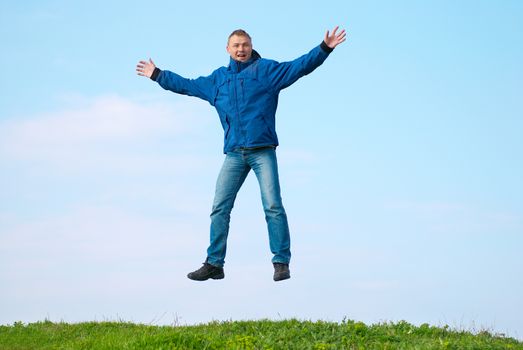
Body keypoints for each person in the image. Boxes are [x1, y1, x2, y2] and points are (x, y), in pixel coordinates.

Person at [136, 26, 346, 282]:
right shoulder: (218, 80)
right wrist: (157, 74)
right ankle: (215, 263)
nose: (241, 49)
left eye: (245, 45)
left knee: (272, 205)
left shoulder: (267, 71)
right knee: (219, 208)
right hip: (234, 154)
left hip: (262, 151)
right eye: (236, 46)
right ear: (228, 49)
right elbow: (187, 85)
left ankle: (281, 262)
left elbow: (299, 67)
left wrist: (324, 48)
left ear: (251, 45)